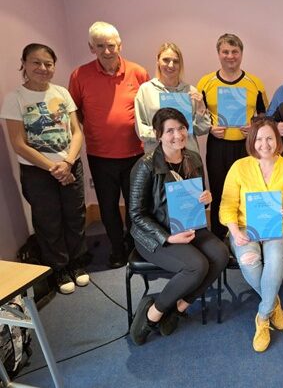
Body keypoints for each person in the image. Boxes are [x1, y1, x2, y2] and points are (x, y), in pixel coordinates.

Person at [128, 108, 229, 346]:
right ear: (159, 135)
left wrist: (206, 198)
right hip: (155, 236)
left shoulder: (193, 157)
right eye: (170, 130)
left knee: (221, 254)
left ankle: (180, 306)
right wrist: (167, 238)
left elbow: (197, 194)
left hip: (189, 225)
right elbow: (136, 215)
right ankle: (154, 313)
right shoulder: (145, 166)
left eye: (181, 128)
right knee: (197, 265)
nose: (177, 135)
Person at [1, 43, 88, 294]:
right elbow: (18, 143)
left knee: (75, 215)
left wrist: (68, 162)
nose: (42, 68)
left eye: (48, 64)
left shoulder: (61, 93)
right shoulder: (15, 99)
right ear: (24, 64)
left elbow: (77, 132)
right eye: (36, 63)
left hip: (70, 165)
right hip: (38, 172)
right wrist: (54, 168)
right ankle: (59, 268)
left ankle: (77, 262)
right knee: (48, 220)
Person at [69, 21, 150, 268]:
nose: (107, 51)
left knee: (137, 204)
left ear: (120, 45)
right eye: (100, 46)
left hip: (135, 153)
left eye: (111, 45)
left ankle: (136, 245)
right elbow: (74, 113)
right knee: (108, 206)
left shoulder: (138, 72)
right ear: (91, 47)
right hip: (100, 155)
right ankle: (117, 249)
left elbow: (148, 108)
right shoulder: (79, 75)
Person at [219, 118, 283, 352]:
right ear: (252, 141)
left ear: (277, 140)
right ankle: (273, 303)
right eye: (259, 139)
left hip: (278, 227)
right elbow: (226, 206)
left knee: (275, 261)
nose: (264, 144)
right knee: (249, 260)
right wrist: (235, 232)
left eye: (270, 138)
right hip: (244, 228)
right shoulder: (239, 167)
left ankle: (263, 317)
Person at [197, 33, 269, 240]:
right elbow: (198, 116)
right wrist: (210, 127)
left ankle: (248, 236)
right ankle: (220, 239)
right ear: (218, 53)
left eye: (234, 51)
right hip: (217, 145)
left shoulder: (254, 83)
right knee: (220, 192)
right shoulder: (205, 82)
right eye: (225, 51)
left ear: (241, 54)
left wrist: (254, 126)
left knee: (249, 191)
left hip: (246, 147)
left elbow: (264, 117)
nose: (230, 56)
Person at [135, 42, 210, 153]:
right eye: (166, 60)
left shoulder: (191, 91)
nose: (171, 65)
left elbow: (202, 129)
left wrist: (200, 112)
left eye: (175, 61)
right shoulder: (145, 91)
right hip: (157, 157)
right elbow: (142, 130)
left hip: (187, 158)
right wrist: (166, 134)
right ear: (158, 60)